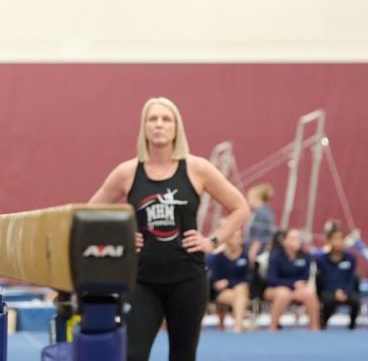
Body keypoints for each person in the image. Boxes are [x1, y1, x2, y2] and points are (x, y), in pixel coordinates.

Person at [89, 97, 250, 361]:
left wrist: (213, 241)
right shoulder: (127, 173)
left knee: (182, 356)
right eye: (153, 119)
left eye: (166, 119)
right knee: (133, 354)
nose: (159, 125)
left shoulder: (197, 169)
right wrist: (121, 237)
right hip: (143, 281)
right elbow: (90, 212)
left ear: (177, 127)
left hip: (188, 280)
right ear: (144, 127)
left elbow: (240, 207)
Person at [263, 229, 320, 332]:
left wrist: (297, 286)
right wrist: (291, 284)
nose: (297, 241)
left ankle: (314, 327)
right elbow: (272, 279)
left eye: (298, 238)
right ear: (284, 242)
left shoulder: (305, 256)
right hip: (275, 289)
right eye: (293, 238)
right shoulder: (275, 256)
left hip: (297, 289)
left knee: (310, 293)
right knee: (284, 294)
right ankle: (272, 327)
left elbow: (305, 277)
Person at [313, 221, 360, 330]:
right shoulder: (322, 260)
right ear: (329, 241)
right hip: (329, 290)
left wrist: (345, 291)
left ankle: (352, 325)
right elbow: (324, 279)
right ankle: (323, 323)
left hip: (346, 290)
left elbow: (352, 278)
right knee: (329, 300)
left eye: (341, 238)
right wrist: (335, 291)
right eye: (335, 238)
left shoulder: (350, 258)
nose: (338, 242)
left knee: (355, 300)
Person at [206, 230, 250, 333]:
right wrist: (228, 284)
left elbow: (247, 278)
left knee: (241, 289)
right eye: (235, 237)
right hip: (224, 292)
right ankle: (238, 325)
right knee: (240, 295)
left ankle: (237, 326)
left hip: (241, 290)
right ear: (228, 239)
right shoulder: (219, 257)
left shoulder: (244, 256)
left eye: (240, 237)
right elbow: (216, 281)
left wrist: (229, 282)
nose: (238, 240)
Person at [245, 184, 276, 262]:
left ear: (256, 198)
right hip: (259, 251)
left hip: (258, 253)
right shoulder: (261, 212)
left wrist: (252, 253)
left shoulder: (261, 214)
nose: (247, 200)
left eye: (249, 198)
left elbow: (259, 236)